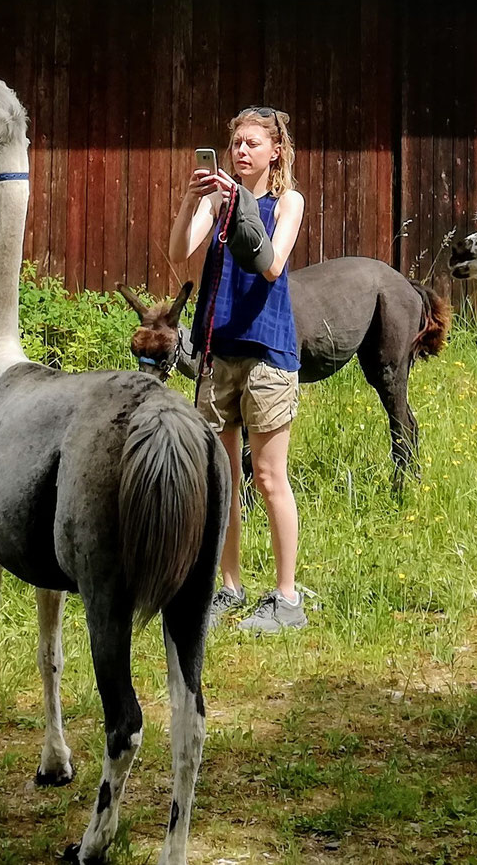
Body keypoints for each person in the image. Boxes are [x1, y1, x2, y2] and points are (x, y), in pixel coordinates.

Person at [166, 105, 308, 634]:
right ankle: (229, 587)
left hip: (268, 354)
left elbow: (271, 264)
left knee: (270, 477)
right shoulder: (218, 201)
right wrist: (191, 201)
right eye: (236, 143)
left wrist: (242, 206)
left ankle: (287, 598)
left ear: (276, 151)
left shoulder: (287, 202)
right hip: (216, 351)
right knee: (223, 478)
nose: (241, 151)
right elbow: (180, 251)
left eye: (253, 143)